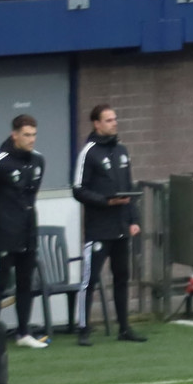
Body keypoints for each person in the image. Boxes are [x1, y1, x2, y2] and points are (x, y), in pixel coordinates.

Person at [72, 103, 144, 343]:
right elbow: (78, 190)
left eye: (115, 119)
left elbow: (129, 187)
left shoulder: (122, 150)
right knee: (90, 279)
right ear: (97, 124)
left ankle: (124, 328)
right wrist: (105, 201)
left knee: (122, 277)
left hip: (121, 227)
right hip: (99, 228)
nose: (114, 123)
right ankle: (83, 329)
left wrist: (133, 219)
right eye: (109, 120)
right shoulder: (88, 152)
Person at [0, 111, 52, 348]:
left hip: (28, 231)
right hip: (4, 233)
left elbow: (30, 195)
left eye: (34, 135)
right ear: (14, 135)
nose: (31, 139)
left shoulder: (38, 161)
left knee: (26, 282)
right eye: (26, 135)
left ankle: (23, 333)